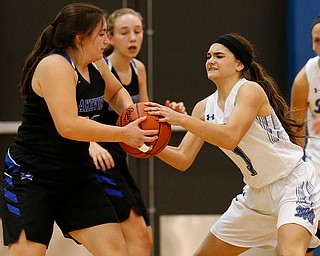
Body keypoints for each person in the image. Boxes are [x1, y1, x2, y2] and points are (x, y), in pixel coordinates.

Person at [0, 3, 159, 256]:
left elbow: (117, 92)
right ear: (80, 37)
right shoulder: (55, 65)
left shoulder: (96, 63)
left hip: (76, 174)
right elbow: (68, 125)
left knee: (117, 252)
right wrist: (122, 133)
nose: (107, 39)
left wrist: (132, 115)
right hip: (32, 176)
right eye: (102, 34)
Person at [145, 33, 320, 255]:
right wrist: (149, 144)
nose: (210, 60)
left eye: (219, 55)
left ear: (239, 64)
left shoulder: (249, 90)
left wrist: (181, 119)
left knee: (289, 252)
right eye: (208, 56)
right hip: (256, 195)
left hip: (293, 183)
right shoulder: (203, 108)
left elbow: (230, 136)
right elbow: (182, 158)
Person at [88, 8, 186, 256]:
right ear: (108, 37)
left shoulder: (138, 68)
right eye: (124, 32)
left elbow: (143, 114)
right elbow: (79, 114)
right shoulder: (99, 68)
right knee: (137, 239)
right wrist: (91, 144)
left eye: (138, 31)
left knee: (143, 240)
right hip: (98, 159)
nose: (133, 38)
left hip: (120, 158)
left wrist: (168, 115)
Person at [291, 16, 320, 256]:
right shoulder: (304, 79)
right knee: (307, 230)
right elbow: (296, 132)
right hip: (316, 161)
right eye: (317, 40)